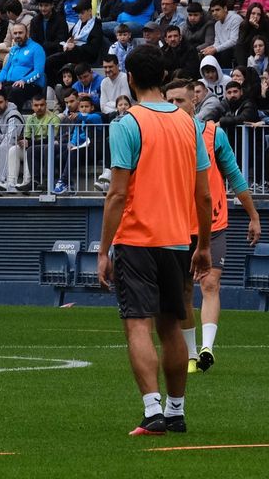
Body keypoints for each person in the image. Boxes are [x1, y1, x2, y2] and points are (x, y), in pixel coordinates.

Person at [99, 45, 212, 436]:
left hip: (136, 239)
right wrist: (204, 245)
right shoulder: (189, 124)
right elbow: (205, 195)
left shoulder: (127, 124)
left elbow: (116, 194)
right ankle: (176, 410)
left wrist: (102, 249)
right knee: (173, 328)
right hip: (179, 240)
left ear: (129, 78)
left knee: (137, 326)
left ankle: (152, 412)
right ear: (164, 77)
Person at [165, 80, 261, 374]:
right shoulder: (162, 137)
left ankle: (207, 348)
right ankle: (192, 354)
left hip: (213, 222)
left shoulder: (212, 133)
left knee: (209, 284)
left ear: (194, 103)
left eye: (180, 100)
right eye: (170, 101)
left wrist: (253, 216)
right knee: (182, 291)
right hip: (177, 224)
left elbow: (233, 174)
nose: (175, 106)